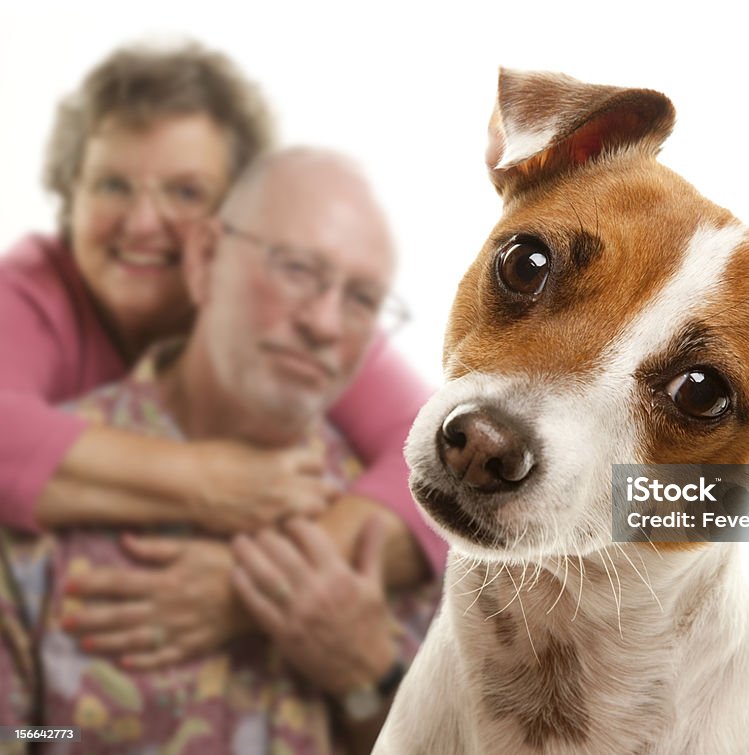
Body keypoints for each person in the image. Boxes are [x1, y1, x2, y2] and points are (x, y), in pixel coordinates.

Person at [0, 40, 446, 669]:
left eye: (185, 192)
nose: (144, 223)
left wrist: (250, 583)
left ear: (228, 225)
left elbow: (434, 458)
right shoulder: (32, 288)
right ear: (68, 198)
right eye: (111, 185)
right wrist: (204, 480)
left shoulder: (303, 322)